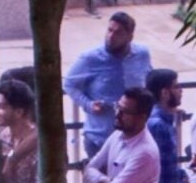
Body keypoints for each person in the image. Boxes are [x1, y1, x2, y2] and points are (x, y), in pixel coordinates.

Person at [65, 12, 152, 155]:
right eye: (110, 30)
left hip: (133, 140)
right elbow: (69, 84)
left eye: (118, 33)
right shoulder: (90, 58)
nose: (111, 36)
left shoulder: (142, 54)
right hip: (101, 139)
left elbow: (149, 83)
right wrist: (88, 105)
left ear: (130, 37)